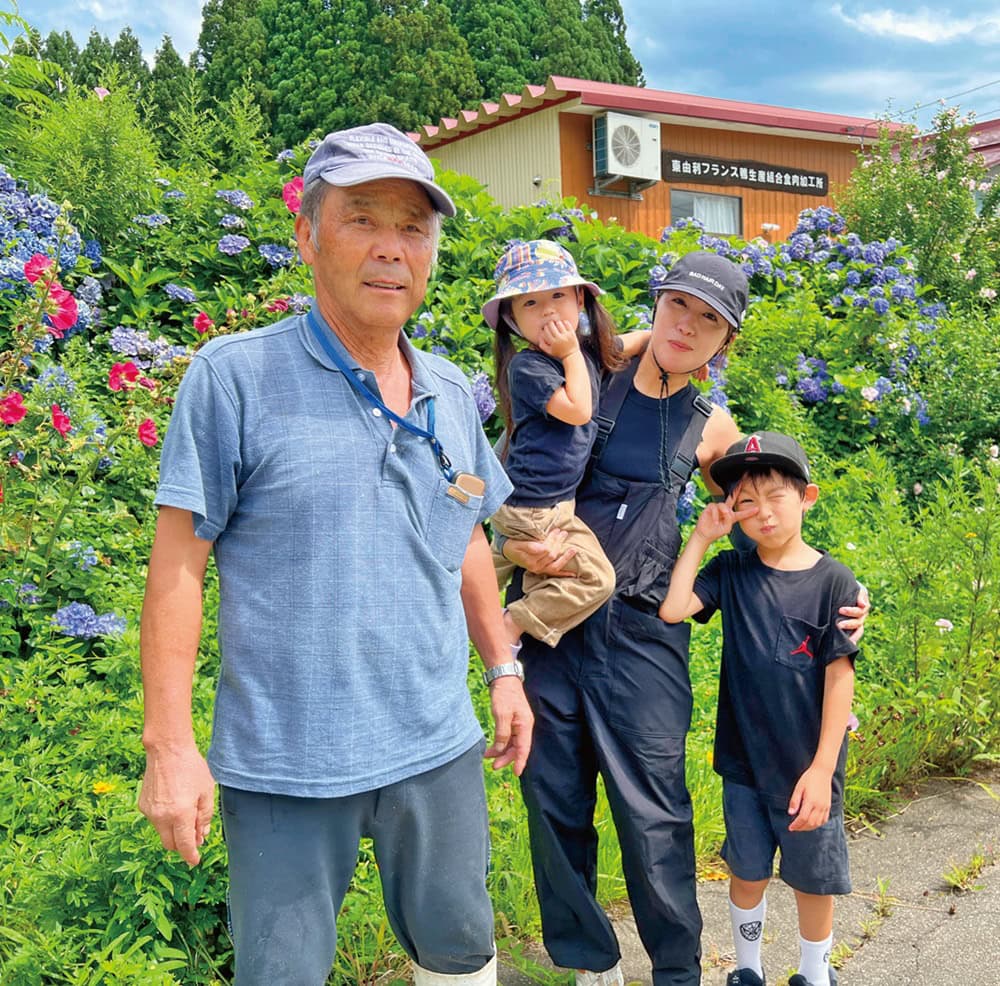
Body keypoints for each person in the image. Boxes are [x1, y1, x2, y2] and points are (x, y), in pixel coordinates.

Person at [137, 122, 532, 986]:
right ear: (307, 233)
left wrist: (502, 666)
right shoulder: (232, 377)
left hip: (435, 743)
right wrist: (169, 744)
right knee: (281, 973)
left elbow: (465, 534)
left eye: (414, 228)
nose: (393, 251)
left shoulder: (449, 391)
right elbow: (177, 568)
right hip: (284, 758)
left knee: (460, 951)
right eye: (363, 219)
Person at [499, 252, 869, 986]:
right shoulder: (588, 373)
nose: (688, 327)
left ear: (726, 341)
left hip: (644, 632)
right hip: (552, 621)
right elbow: (515, 468)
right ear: (656, 305)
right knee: (554, 800)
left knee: (655, 812)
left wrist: (834, 595)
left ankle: (676, 971)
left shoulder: (712, 425)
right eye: (678, 307)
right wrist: (512, 544)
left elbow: (763, 519)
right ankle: (588, 964)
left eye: (710, 321)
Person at [660, 431, 859, 986]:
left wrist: (823, 769)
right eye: (747, 501)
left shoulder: (834, 581)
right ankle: (747, 970)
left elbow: (839, 679)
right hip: (744, 768)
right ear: (732, 511)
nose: (764, 513)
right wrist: (701, 538)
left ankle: (814, 974)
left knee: (812, 880)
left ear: (807, 497)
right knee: (747, 873)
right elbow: (674, 609)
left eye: (776, 496)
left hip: (807, 771)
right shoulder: (732, 572)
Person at [483, 239, 649, 650]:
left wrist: (661, 342)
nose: (549, 311)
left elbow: (627, 343)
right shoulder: (529, 367)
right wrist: (572, 353)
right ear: (512, 321)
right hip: (535, 508)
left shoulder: (586, 354)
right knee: (597, 578)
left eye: (558, 295)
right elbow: (577, 410)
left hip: (537, 502)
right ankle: (512, 624)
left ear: (579, 299)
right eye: (531, 304)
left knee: (479, 575)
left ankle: (469, 595)